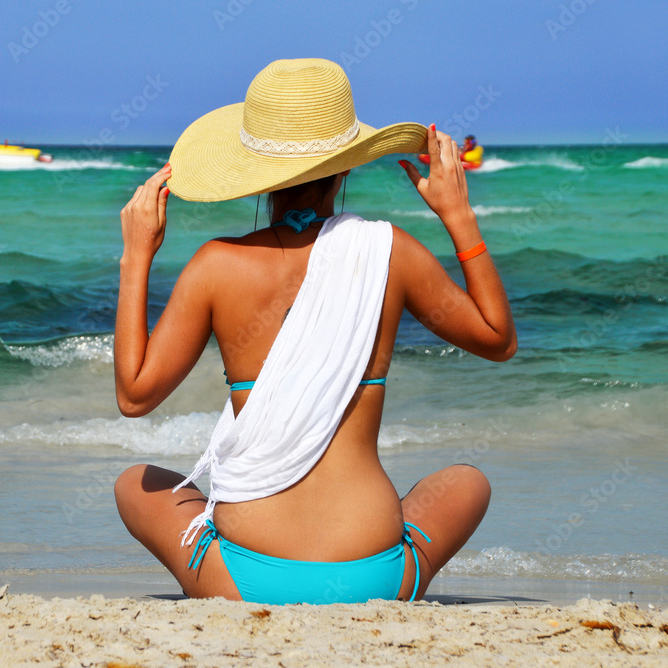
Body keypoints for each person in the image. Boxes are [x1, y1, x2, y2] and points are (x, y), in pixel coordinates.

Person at [113, 59, 516, 605]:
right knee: (468, 481)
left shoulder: (215, 265)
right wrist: (458, 216)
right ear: (347, 166)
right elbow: (498, 339)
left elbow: (134, 395)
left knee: (134, 483)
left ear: (254, 172)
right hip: (375, 574)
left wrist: (137, 255)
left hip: (242, 578)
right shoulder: (388, 249)